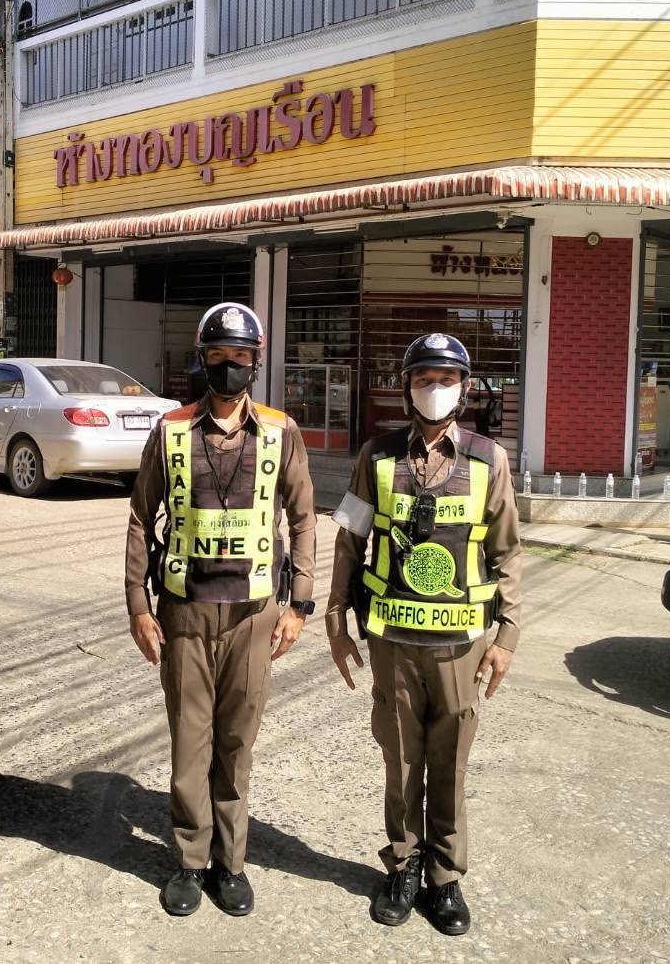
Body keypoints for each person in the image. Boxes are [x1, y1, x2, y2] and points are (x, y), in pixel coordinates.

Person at [124, 302, 318, 918]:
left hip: (254, 615)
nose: (229, 366)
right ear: (202, 360)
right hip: (183, 612)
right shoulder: (172, 430)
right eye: (218, 355)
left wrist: (299, 604)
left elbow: (304, 518)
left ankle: (229, 864)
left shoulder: (281, 431)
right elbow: (140, 518)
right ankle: (189, 860)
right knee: (190, 743)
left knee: (236, 744)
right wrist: (138, 605)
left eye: (240, 357)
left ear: (255, 363)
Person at [324, 332, 522, 937]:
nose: (434, 389)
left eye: (446, 379)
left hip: (461, 645)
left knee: (450, 762)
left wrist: (507, 637)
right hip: (391, 640)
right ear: (406, 388)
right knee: (402, 759)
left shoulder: (490, 460)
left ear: (465, 388)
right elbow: (350, 540)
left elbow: (508, 552)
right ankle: (404, 865)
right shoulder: (376, 456)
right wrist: (336, 620)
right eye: (423, 379)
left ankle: (445, 878)